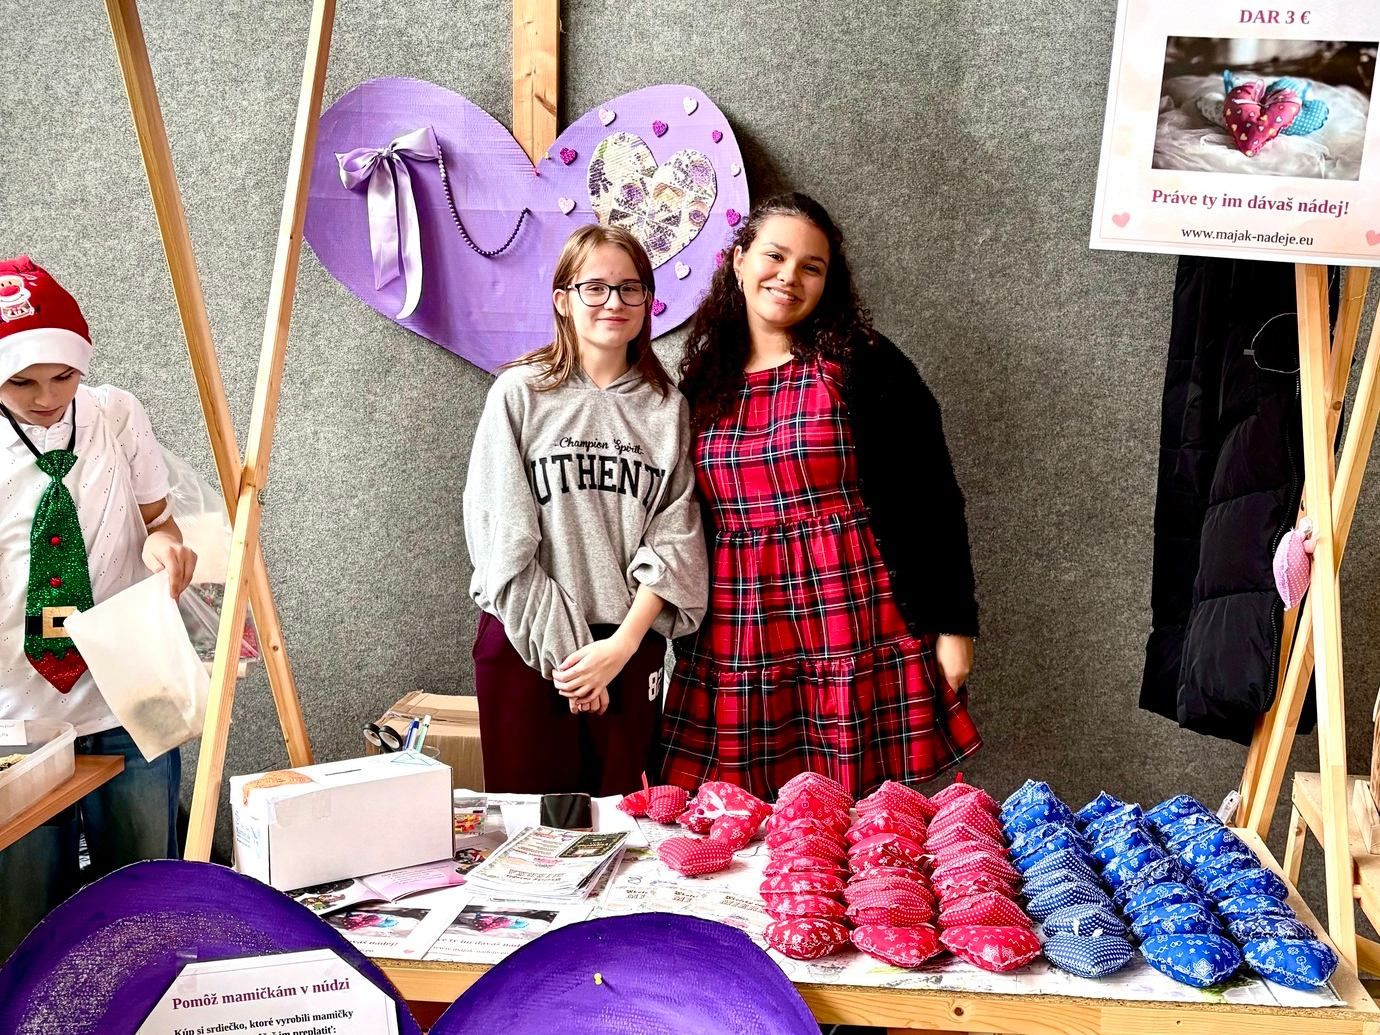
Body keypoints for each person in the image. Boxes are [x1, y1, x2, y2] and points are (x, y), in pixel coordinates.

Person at [661, 193, 981, 800]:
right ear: (738, 260)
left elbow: (933, 498)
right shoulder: (700, 381)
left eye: (812, 267)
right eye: (775, 256)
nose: (789, 276)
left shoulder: (864, 363)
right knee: (740, 813)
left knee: (858, 815)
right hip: (740, 626)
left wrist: (954, 626)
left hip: (852, 617)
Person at [0, 256, 197, 958]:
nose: (46, 397)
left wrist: (167, 548)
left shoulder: (115, 412)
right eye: (21, 382)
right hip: (17, 712)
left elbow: (159, 521)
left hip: (129, 685)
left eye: (63, 376)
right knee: (23, 917)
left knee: (150, 902)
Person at [464, 225, 707, 795]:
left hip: (625, 650)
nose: (613, 302)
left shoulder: (667, 409)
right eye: (594, 287)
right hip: (527, 641)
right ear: (563, 300)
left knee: (624, 829)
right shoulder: (518, 394)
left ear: (647, 301)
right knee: (535, 834)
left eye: (630, 288)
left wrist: (618, 650)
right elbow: (503, 539)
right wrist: (573, 660)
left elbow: (675, 541)